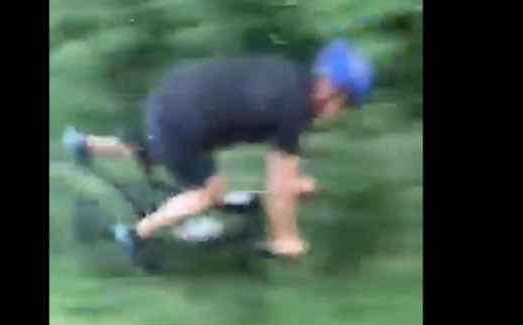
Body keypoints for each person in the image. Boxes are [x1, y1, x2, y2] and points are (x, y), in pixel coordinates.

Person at [63, 38, 374, 259]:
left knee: (156, 144)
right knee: (211, 192)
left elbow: (282, 175)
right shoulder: (295, 107)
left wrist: (291, 185)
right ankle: (136, 234)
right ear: (333, 91)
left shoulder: (291, 77)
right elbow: (278, 183)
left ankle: (84, 145)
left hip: (171, 96)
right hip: (183, 121)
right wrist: (286, 238)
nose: (341, 113)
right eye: (347, 104)